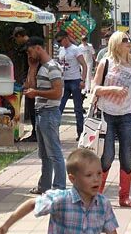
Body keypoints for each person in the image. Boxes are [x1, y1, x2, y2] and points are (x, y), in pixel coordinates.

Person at [92, 31, 131, 208]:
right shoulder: (105, 63)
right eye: (124, 40)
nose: (129, 43)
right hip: (106, 114)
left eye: (130, 40)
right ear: (115, 43)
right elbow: (95, 88)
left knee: (126, 156)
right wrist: (112, 89)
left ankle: (124, 197)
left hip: (127, 115)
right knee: (107, 157)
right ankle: (96, 195)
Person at [24, 37, 67, 194]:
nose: (29, 55)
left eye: (30, 51)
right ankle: (45, 186)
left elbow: (57, 93)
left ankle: (59, 187)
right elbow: (29, 87)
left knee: (54, 153)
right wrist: (31, 68)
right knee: (44, 154)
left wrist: (36, 93)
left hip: (49, 114)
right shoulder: (41, 67)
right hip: (41, 113)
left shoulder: (52, 67)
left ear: (38, 48)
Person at [56, 31, 87, 141]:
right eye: (58, 42)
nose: (60, 43)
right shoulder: (61, 50)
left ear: (66, 38)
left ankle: (80, 133)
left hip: (75, 80)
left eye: (61, 41)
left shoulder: (75, 49)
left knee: (77, 108)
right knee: (59, 107)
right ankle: (55, 132)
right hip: (64, 81)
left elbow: (84, 65)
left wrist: (82, 80)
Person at [14, 27, 37, 142]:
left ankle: (35, 133)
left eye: (16, 38)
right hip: (30, 79)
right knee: (31, 107)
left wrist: (26, 81)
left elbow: (29, 66)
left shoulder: (27, 47)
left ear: (19, 36)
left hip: (31, 80)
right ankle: (35, 132)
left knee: (32, 107)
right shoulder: (28, 45)